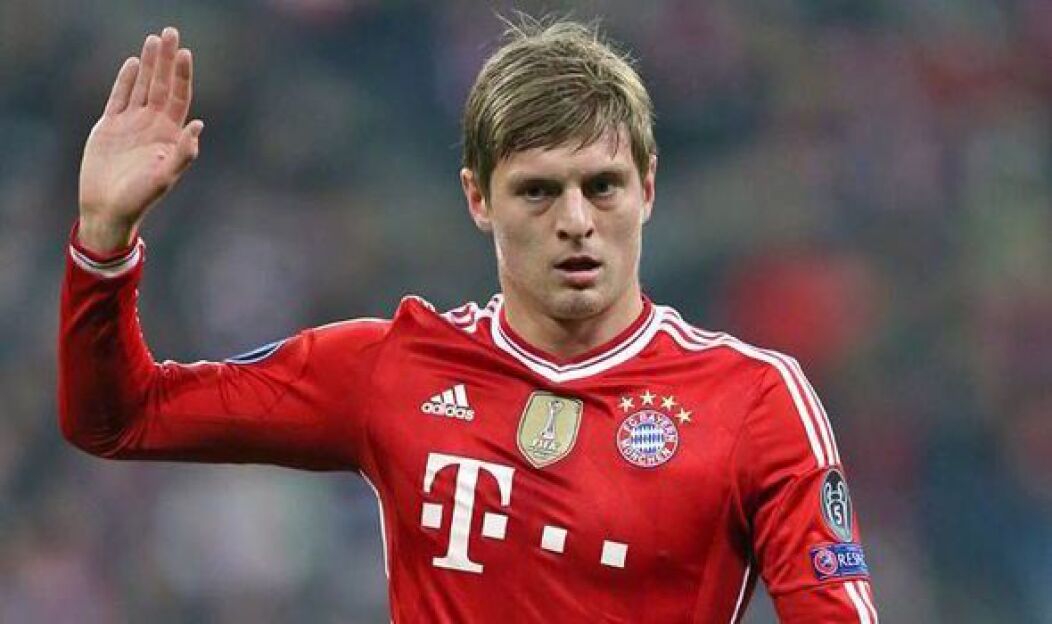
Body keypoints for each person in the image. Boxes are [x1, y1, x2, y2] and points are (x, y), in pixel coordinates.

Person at [59, 18, 879, 623]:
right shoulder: (394, 371)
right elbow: (119, 417)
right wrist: (103, 242)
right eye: (537, 191)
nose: (576, 221)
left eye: (602, 186)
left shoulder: (753, 401)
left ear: (648, 188)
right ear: (478, 198)